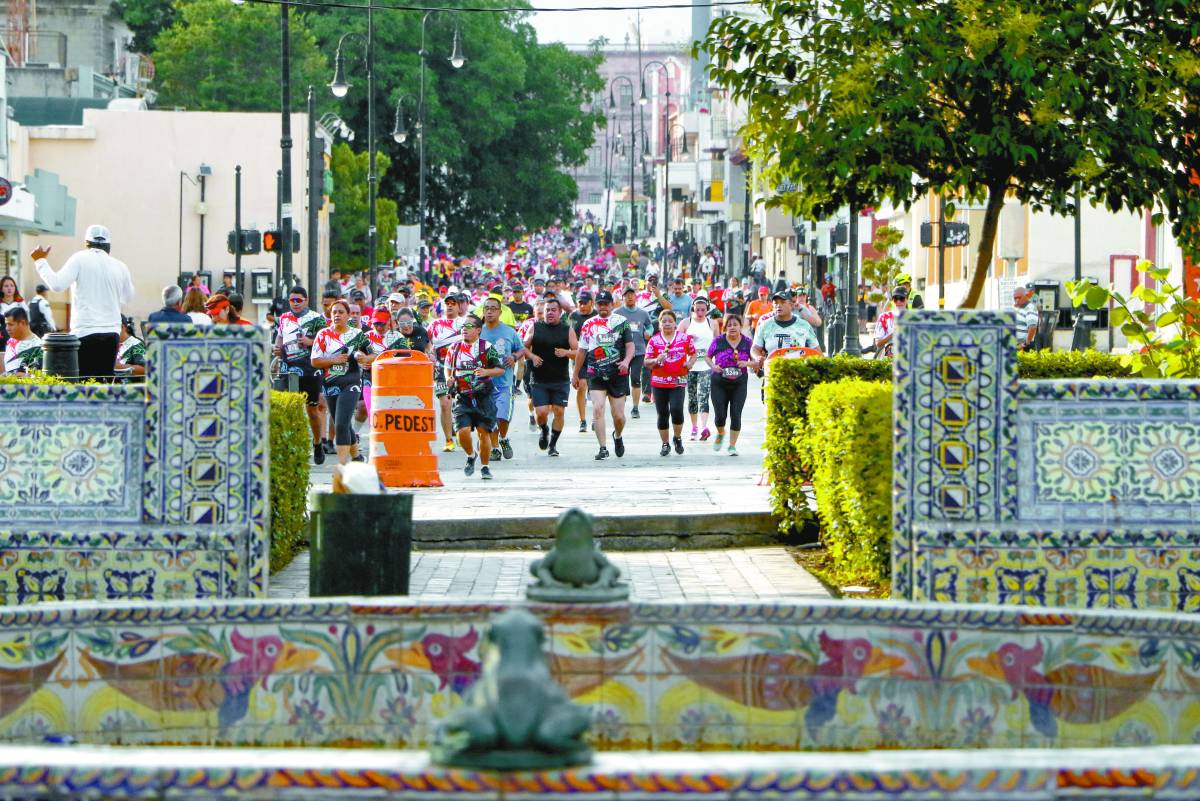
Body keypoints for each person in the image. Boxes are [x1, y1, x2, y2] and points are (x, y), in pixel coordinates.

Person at [30, 225, 134, 380]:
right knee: (104, 381)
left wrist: (40, 261)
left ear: (87, 243)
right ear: (108, 245)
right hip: (112, 333)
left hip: (85, 332)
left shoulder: (79, 258)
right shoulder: (120, 266)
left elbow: (57, 285)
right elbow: (128, 298)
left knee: (85, 382)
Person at [310, 299, 376, 465]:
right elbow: (315, 361)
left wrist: (364, 358)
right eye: (334, 312)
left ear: (347, 316)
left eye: (341, 312)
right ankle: (357, 458)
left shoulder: (356, 335)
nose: (337, 315)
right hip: (330, 385)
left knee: (340, 424)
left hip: (351, 383)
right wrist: (334, 360)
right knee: (344, 424)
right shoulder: (323, 334)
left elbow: (374, 355)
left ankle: (342, 467)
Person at [573, 290, 634, 460]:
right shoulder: (588, 324)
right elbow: (582, 350)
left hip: (618, 373)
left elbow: (630, 346)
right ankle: (603, 448)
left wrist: (626, 361)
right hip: (595, 373)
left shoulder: (621, 322)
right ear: (595, 305)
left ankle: (618, 436)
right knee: (597, 409)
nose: (603, 307)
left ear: (612, 305)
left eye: (606, 304)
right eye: (600, 304)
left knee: (619, 417)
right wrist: (575, 373)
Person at [446, 313, 504, 480]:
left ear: (478, 330)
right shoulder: (454, 348)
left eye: (469, 326)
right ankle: (471, 455)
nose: (465, 329)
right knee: (462, 432)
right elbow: (448, 367)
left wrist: (486, 372)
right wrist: (449, 378)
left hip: (483, 397)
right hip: (462, 396)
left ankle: (485, 467)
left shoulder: (486, 347)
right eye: (463, 326)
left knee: (483, 432)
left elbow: (500, 369)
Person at [275, 286, 329, 464]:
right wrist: (277, 347)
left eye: (299, 300)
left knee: (312, 410)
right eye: (292, 300)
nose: (295, 303)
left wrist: (309, 341)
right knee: (288, 408)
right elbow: (280, 336)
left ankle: (317, 442)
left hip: (309, 369)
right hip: (288, 367)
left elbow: (326, 342)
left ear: (306, 300)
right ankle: (292, 447)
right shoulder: (284, 317)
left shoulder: (316, 318)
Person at [524, 295, 577, 457]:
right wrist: (532, 356)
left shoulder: (567, 329)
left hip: (560, 379)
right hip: (539, 379)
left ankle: (553, 445)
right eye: (547, 310)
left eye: (554, 310)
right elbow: (522, 348)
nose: (550, 313)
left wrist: (566, 352)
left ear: (560, 312)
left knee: (559, 411)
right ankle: (544, 429)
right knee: (541, 413)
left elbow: (578, 352)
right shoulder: (535, 327)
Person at [480, 296, 528, 461]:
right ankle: (495, 448)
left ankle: (503, 438)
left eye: (493, 308)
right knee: (491, 418)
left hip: (504, 383)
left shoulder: (509, 331)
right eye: (487, 308)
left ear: (500, 312)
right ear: (483, 311)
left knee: (502, 417)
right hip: (484, 384)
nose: (490, 311)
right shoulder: (478, 332)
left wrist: (514, 357)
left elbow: (521, 349)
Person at [644, 310, 696, 456]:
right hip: (659, 382)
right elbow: (646, 362)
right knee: (662, 413)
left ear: (675, 324)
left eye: (670, 321)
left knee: (676, 409)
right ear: (659, 325)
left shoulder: (684, 338)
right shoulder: (654, 340)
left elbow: (693, 353)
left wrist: (690, 363)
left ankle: (677, 438)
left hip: (678, 380)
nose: (667, 324)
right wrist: (656, 360)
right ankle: (665, 444)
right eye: (664, 321)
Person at [706, 314, 757, 456]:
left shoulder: (748, 342)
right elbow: (707, 356)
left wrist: (747, 363)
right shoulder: (718, 341)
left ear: (741, 327)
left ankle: (732, 446)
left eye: (735, 324)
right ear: (725, 327)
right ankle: (721, 433)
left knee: (736, 414)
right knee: (720, 415)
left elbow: (756, 361)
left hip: (739, 384)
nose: (732, 327)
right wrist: (713, 366)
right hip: (719, 382)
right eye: (729, 325)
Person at [428, 293, 465, 452]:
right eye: (447, 303)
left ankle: (461, 431)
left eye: (453, 303)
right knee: (445, 404)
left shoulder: (464, 323)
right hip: (441, 369)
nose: (449, 306)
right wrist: (429, 354)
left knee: (462, 403)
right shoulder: (434, 324)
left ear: (459, 306)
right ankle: (449, 440)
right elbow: (427, 344)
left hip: (462, 369)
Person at [679, 295, 718, 441]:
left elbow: (717, 343)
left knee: (703, 396)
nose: (700, 313)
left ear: (707, 310)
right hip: (690, 366)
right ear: (693, 309)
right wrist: (688, 340)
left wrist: (717, 364)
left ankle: (703, 427)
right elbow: (677, 343)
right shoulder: (685, 323)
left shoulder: (712, 323)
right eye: (697, 310)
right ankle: (694, 427)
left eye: (703, 310)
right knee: (692, 398)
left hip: (706, 365)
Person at [752, 290, 822, 366]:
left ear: (791, 305)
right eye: (776, 303)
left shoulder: (804, 325)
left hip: (797, 370)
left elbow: (817, 351)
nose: (778, 305)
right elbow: (755, 348)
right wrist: (758, 357)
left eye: (783, 302)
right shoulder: (765, 325)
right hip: (772, 370)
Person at [612, 286, 651, 419]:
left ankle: (635, 408)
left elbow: (650, 326)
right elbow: (610, 328)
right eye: (626, 295)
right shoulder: (617, 313)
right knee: (622, 380)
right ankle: (621, 408)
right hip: (621, 352)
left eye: (632, 294)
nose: (629, 297)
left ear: (636, 297)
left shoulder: (643, 313)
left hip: (639, 351)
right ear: (622, 298)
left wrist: (648, 332)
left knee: (635, 379)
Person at [567, 291, 597, 432]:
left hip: (596, 356)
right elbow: (568, 333)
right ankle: (582, 420)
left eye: (585, 303)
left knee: (596, 389)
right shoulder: (573, 316)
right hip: (580, 355)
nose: (583, 306)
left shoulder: (597, 315)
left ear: (592, 302)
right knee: (582, 386)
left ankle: (595, 419)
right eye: (580, 303)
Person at [3, 307, 42, 375]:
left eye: (10, 324)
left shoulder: (37, 346)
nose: (7, 328)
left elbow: (34, 376)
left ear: (22, 323)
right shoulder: (11, 341)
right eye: (6, 324)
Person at [873, 287, 907, 358]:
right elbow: (878, 343)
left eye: (901, 299)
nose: (898, 302)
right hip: (889, 360)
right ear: (893, 301)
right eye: (895, 299)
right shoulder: (884, 317)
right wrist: (893, 334)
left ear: (906, 300)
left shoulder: (914, 318)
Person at [1014, 284, 1040, 351]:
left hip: (1024, 347)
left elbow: (1033, 327)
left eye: (1019, 297)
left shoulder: (1030, 308)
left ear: (1025, 296)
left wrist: (1026, 343)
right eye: (1015, 298)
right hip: (1017, 345)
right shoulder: (1019, 307)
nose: (1017, 300)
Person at [0, 276, 26, 343]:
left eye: (12, 285)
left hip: (19, 338)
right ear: (1, 289)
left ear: (15, 288)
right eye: (6, 286)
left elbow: (28, 321)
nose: (9, 288)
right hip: (2, 339)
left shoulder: (21, 302)